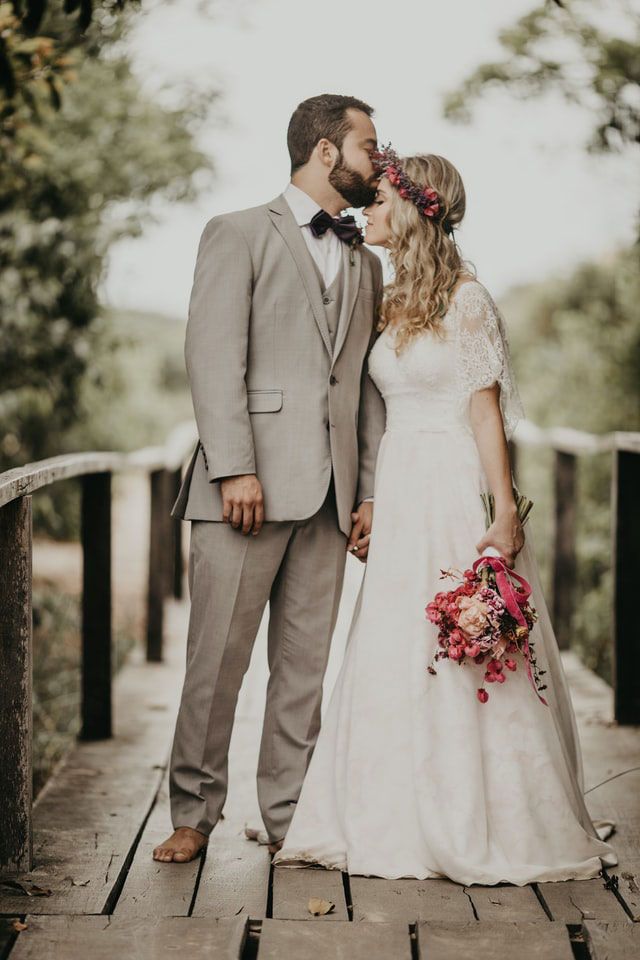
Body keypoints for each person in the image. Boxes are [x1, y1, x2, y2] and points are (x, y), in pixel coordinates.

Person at [274, 150, 618, 884]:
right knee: (393, 638)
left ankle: (477, 811)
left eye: (378, 200)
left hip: (452, 484)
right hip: (400, 486)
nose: (367, 209)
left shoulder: (466, 299)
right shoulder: (392, 294)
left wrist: (504, 514)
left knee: (464, 635)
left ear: (416, 207)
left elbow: (484, 411)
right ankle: (379, 805)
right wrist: (369, 494)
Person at [153, 95, 386, 863]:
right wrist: (235, 467)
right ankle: (194, 811)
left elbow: (362, 388)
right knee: (216, 661)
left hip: (329, 496)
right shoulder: (237, 233)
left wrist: (370, 491)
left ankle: (288, 814)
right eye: (368, 147)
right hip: (241, 492)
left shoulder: (366, 261)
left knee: (302, 668)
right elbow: (211, 356)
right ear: (326, 151)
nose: (377, 163)